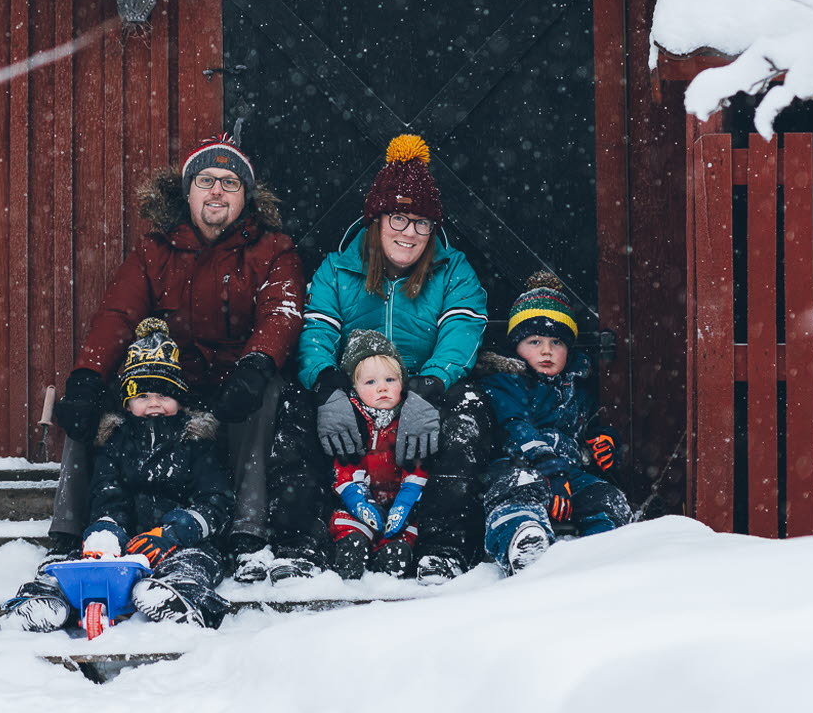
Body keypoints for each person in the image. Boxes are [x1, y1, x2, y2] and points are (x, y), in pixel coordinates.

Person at [47, 133, 305, 578]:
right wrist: (86, 376)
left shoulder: (273, 249)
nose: (217, 191)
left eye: (230, 182)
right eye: (206, 180)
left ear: (246, 196)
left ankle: (248, 532)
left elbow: (281, 314)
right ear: (188, 192)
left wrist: (257, 364)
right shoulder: (155, 250)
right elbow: (116, 313)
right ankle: (69, 532)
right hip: (165, 382)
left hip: (233, 383)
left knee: (268, 392)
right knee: (86, 398)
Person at [268, 134, 488, 585]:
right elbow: (316, 332)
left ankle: (441, 547)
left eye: (422, 223)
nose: (410, 233)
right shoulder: (337, 270)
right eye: (400, 218)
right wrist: (328, 389)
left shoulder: (454, 270)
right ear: (377, 218)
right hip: (353, 395)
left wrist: (426, 391)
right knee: (290, 411)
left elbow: (461, 334)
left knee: (470, 412)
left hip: (424, 389)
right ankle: (300, 545)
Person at [0, 321, 234, 630]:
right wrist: (108, 531)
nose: (154, 404)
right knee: (77, 562)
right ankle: (43, 600)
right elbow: (108, 494)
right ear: (127, 401)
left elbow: (215, 501)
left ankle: (180, 598)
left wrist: (175, 531)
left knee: (194, 563)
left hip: (181, 542)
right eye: (143, 394)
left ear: (179, 398)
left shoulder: (196, 442)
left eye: (165, 394)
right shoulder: (116, 442)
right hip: (128, 543)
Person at [476, 272, 631, 575]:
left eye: (556, 342)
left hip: (568, 474)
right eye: (534, 341)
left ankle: (603, 549)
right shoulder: (506, 381)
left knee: (607, 497)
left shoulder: (576, 387)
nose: (546, 351)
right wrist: (551, 472)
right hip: (518, 466)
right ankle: (523, 540)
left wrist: (604, 441)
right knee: (516, 492)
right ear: (516, 346)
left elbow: (589, 427)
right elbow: (515, 427)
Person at [326, 330, 427, 581]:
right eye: (370, 382)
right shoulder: (353, 420)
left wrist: (404, 501)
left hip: (401, 502)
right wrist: (358, 500)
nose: (382, 387)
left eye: (390, 380)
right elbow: (345, 466)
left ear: (403, 382)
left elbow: (417, 465)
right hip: (361, 500)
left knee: (407, 532)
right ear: (355, 387)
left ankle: (392, 557)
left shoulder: (409, 420)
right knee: (347, 525)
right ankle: (352, 549)